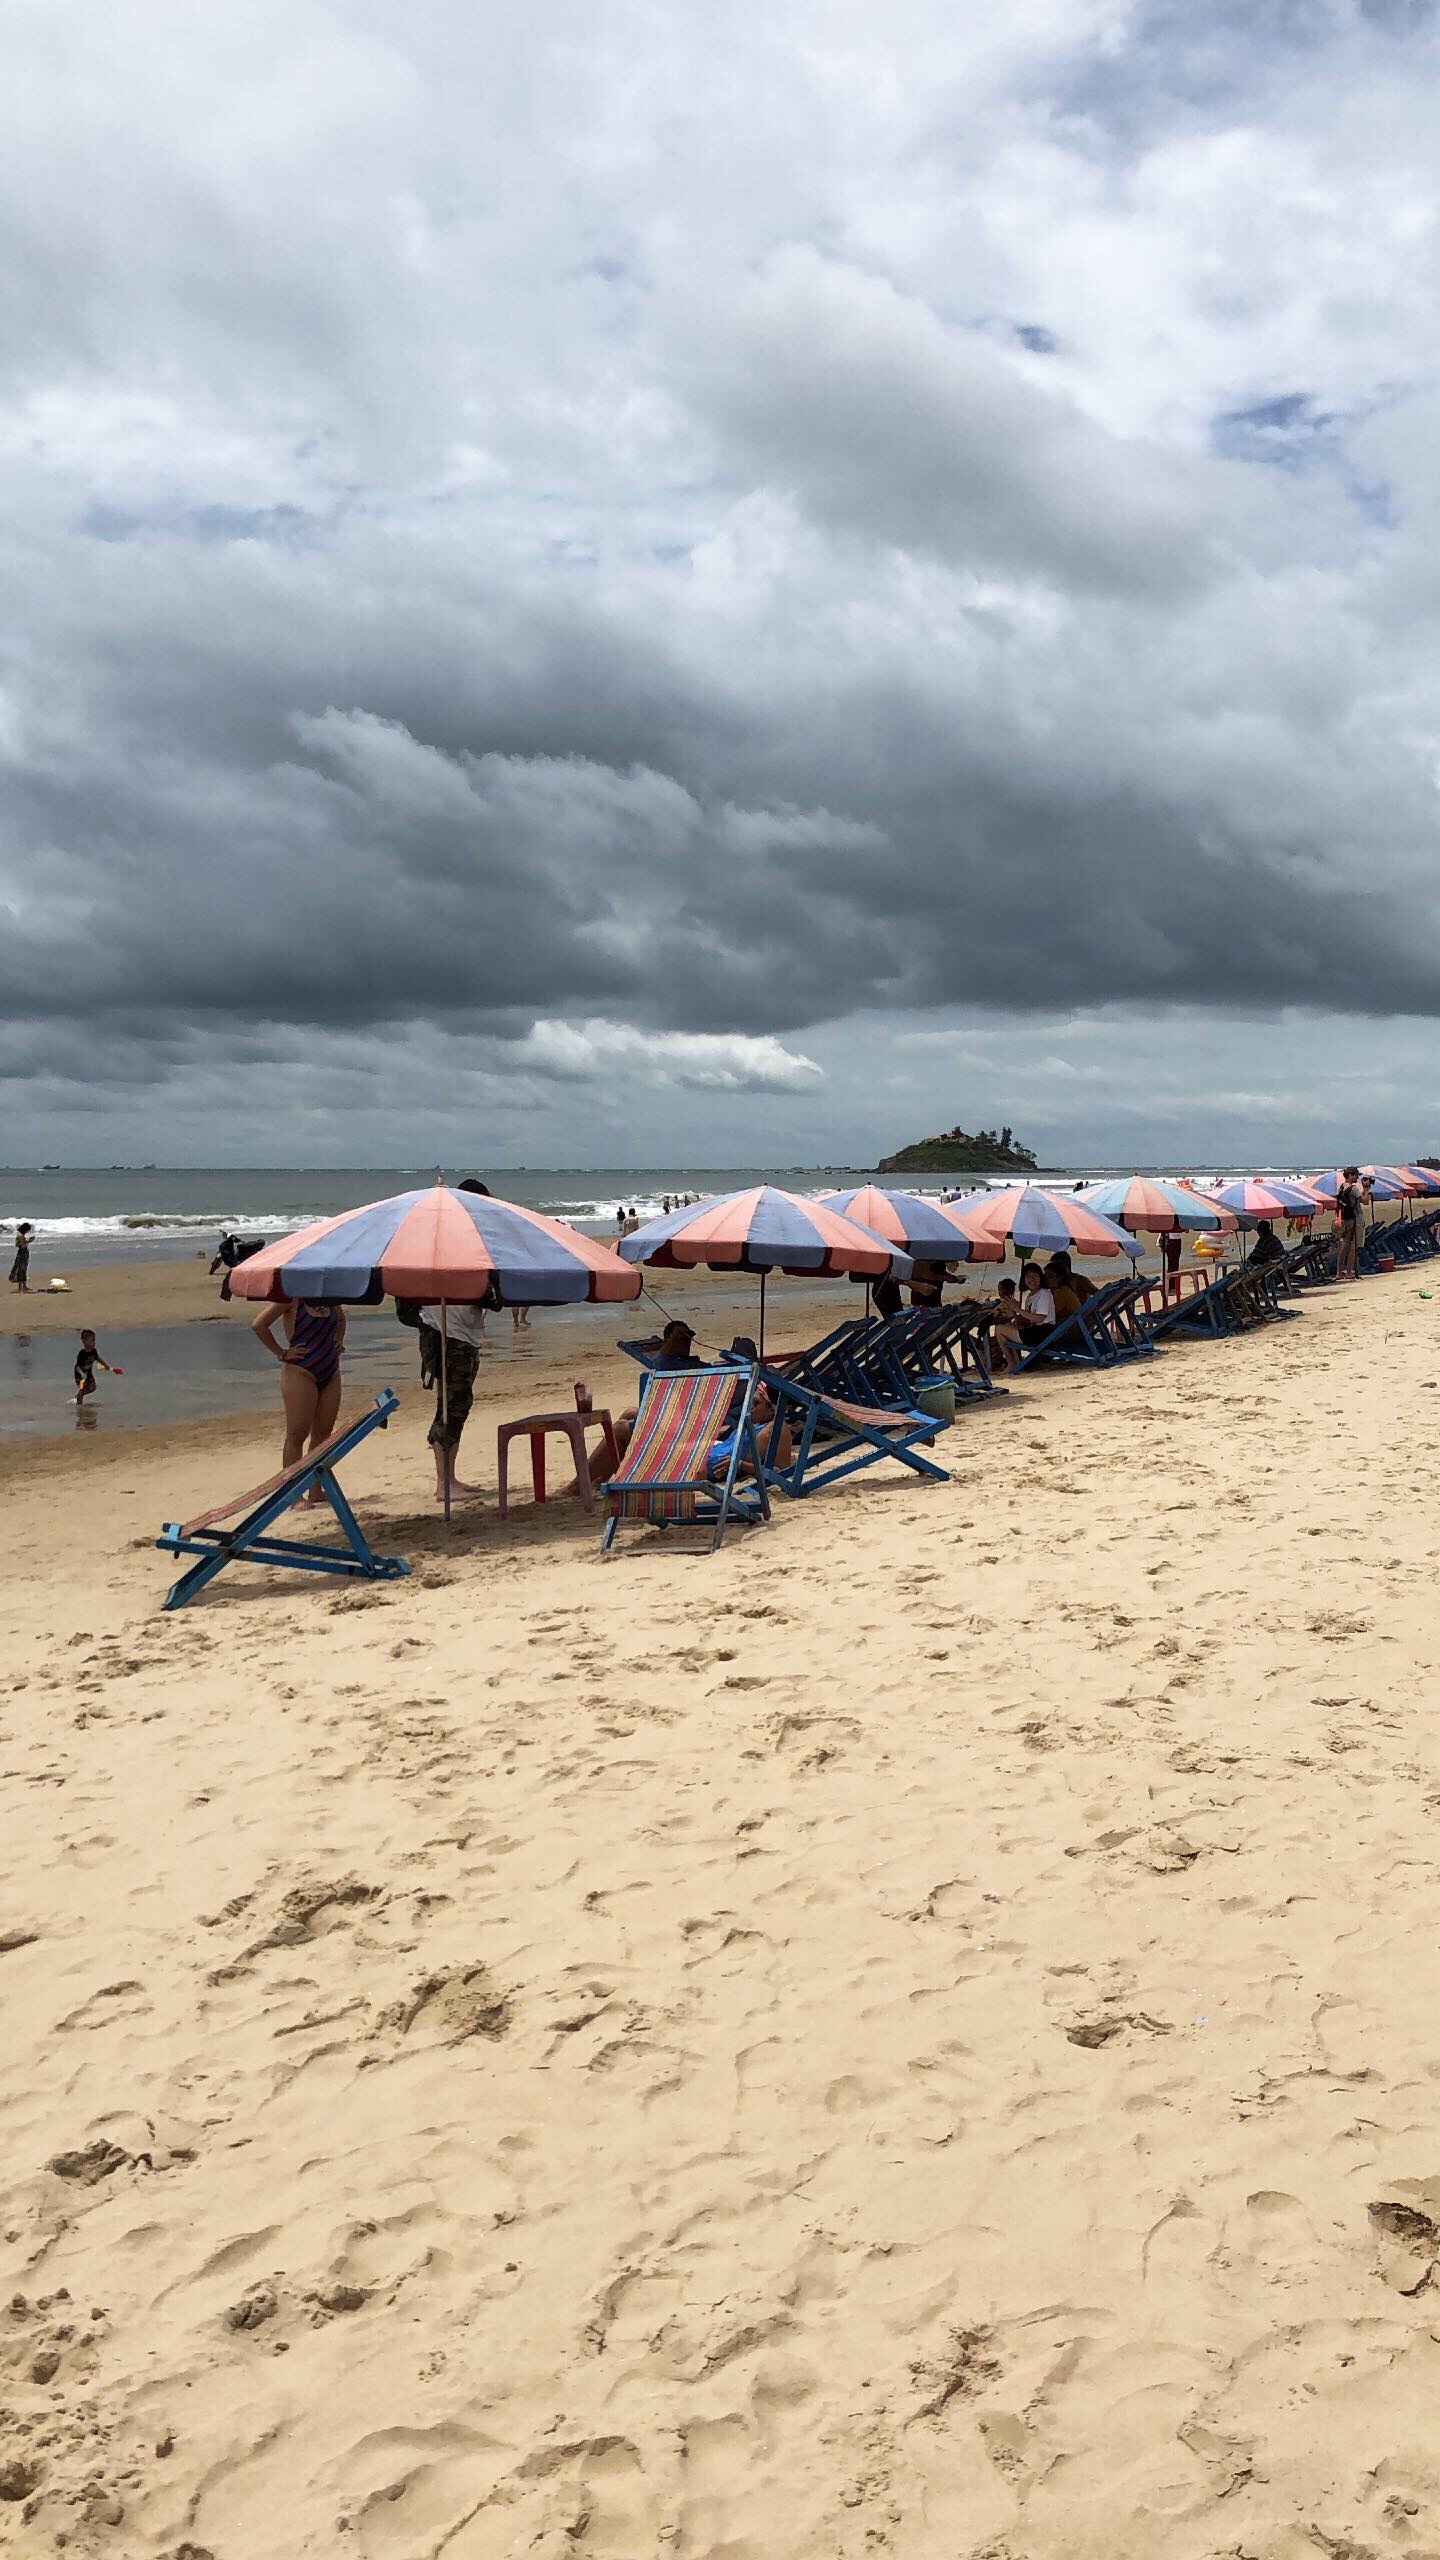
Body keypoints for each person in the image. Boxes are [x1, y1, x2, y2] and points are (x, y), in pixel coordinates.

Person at [250, 1296, 346, 1481]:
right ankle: (294, 1491)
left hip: (331, 1371)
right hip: (300, 1372)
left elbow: (341, 1319)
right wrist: (282, 1353)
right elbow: (259, 1325)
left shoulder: (330, 1297)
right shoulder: (291, 1298)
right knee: (297, 1434)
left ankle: (316, 1489)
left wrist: (338, 1339)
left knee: (323, 1435)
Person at [417, 1299, 488, 1505]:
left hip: (458, 1334)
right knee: (452, 1408)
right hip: (448, 1336)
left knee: (456, 1406)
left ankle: (449, 1478)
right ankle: (444, 1482)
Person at [987, 1278, 1024, 1374]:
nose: (999, 1292)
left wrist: (992, 1312)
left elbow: (995, 1313)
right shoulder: (1014, 1302)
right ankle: (1017, 1362)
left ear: (1004, 1291)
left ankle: (1011, 1362)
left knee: (999, 1331)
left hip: (1009, 1328)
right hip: (1014, 1327)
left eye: (1000, 1289)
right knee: (1015, 1348)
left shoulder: (1005, 1303)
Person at [1016, 1262, 1056, 1352]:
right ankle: (1015, 1359)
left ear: (1041, 1278)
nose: (1032, 1279)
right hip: (1034, 1330)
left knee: (1001, 1330)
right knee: (1008, 1327)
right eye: (1028, 1276)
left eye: (1035, 1276)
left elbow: (1039, 1319)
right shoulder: (1030, 1297)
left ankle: (1013, 1360)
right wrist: (1013, 1313)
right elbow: (1029, 1320)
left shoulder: (1044, 1294)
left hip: (1043, 1333)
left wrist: (1018, 1309)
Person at [73, 1328, 117, 1405]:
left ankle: (79, 1395)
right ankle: (79, 1406)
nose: (94, 1342)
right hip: (80, 1375)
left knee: (93, 1388)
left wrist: (106, 1366)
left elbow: (98, 1358)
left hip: (89, 1373)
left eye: (94, 1340)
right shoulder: (82, 1354)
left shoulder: (94, 1351)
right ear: (84, 1341)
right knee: (82, 1388)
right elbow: (77, 1367)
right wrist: (82, 1374)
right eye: (92, 1340)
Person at [1335, 1166, 1364, 1281]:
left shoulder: (1341, 1188)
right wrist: (1366, 1189)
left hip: (1345, 1219)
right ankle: (1349, 1272)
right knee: (1354, 1247)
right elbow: (1365, 1200)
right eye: (1356, 1175)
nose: (1357, 1178)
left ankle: (1339, 1273)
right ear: (1350, 1175)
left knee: (1344, 1246)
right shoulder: (1353, 1189)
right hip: (1355, 1219)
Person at [8, 1221, 33, 1292]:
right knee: (22, 1269)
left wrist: (25, 1241)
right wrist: (29, 1241)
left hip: (21, 1252)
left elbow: (17, 1245)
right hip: (23, 1252)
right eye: (27, 1230)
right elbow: (23, 1245)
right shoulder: (21, 1235)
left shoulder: (19, 1234)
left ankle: (23, 1286)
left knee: (22, 1269)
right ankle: (21, 1287)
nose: (27, 1231)